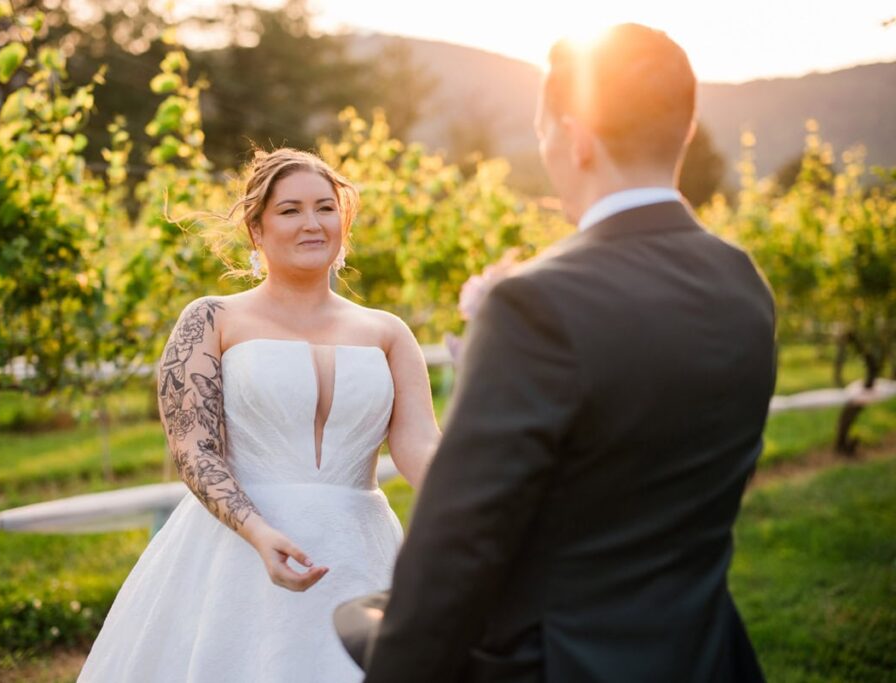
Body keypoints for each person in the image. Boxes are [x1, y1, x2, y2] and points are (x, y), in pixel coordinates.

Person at [335, 23, 776, 682]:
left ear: (575, 138)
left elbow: (457, 544)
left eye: (544, 135)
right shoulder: (742, 281)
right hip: (704, 651)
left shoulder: (534, 304)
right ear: (683, 132)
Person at [79, 148, 440, 682]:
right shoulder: (212, 320)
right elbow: (193, 449)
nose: (312, 223)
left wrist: (486, 511)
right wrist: (259, 534)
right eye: (290, 210)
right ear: (256, 228)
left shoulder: (387, 331)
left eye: (326, 207)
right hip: (237, 552)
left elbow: (420, 447)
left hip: (361, 552)